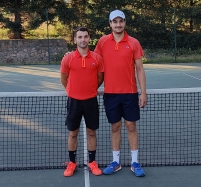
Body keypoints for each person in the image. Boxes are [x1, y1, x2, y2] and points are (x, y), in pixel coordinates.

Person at [94, 10, 147, 177]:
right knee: (115, 127)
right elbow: (93, 61)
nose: (118, 24)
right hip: (110, 94)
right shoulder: (102, 42)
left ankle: (134, 162)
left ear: (125, 23)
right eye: (114, 21)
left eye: (121, 21)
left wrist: (143, 92)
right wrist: (71, 54)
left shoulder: (133, 42)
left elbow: (140, 69)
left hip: (130, 93)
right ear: (110, 23)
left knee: (131, 127)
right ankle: (116, 162)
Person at [60, 26, 104, 177]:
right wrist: (73, 90)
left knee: (91, 132)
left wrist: (90, 89)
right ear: (75, 39)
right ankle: (72, 163)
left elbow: (100, 78)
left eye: (85, 36)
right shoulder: (68, 58)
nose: (83, 39)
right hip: (74, 102)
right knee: (73, 133)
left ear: (89, 39)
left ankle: (92, 162)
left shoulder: (97, 58)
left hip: (91, 101)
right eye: (80, 37)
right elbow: (63, 79)